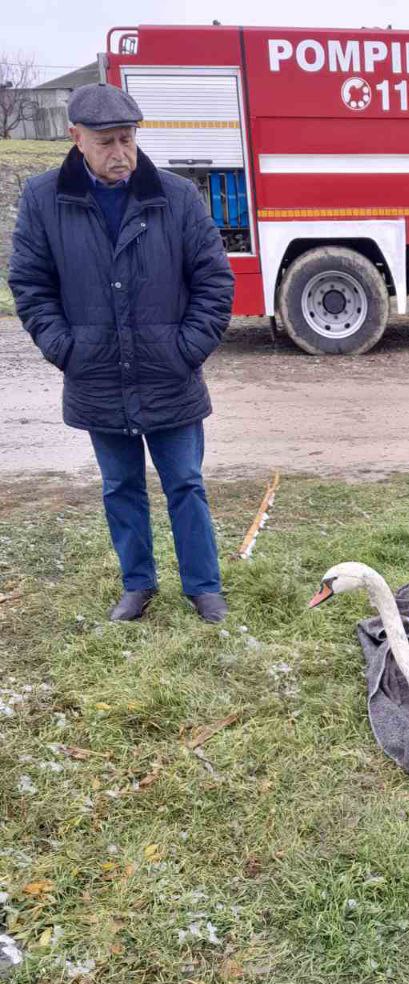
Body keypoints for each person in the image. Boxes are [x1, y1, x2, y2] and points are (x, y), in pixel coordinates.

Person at [9, 83, 235, 623]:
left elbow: (214, 281)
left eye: (128, 139)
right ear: (76, 138)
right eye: (107, 141)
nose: (121, 153)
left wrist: (188, 349)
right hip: (97, 374)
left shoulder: (177, 197)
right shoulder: (44, 199)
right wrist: (67, 348)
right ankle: (138, 584)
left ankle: (204, 588)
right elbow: (30, 284)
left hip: (169, 372)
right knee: (119, 486)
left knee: (185, 482)